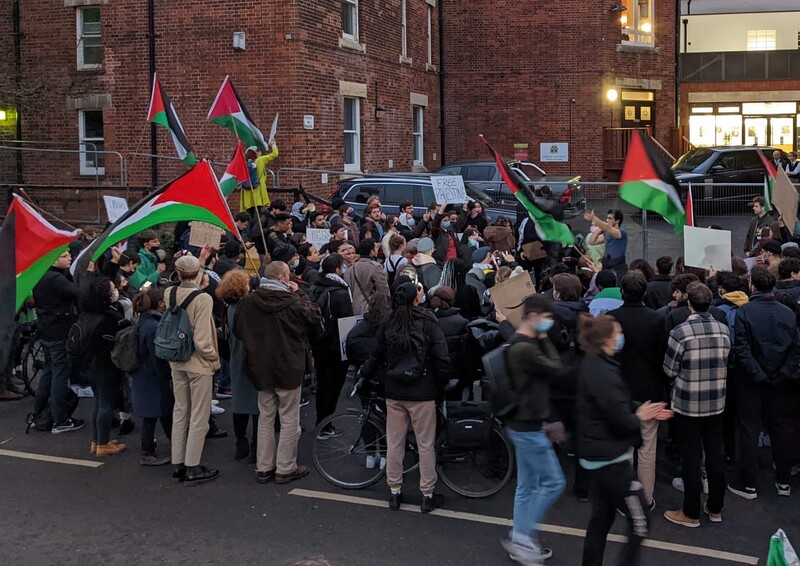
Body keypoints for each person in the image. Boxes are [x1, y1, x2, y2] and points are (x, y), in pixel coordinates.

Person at [576, 315, 672, 566]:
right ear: (607, 339)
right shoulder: (604, 372)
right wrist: (640, 415)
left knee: (601, 519)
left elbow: (612, 405)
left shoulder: (594, 364)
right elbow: (620, 418)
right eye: (618, 332)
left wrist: (641, 409)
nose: (621, 336)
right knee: (640, 521)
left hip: (596, 455)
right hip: (611, 460)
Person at [360, 281, 450, 513]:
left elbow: (376, 355)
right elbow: (441, 358)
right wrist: (440, 384)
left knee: (394, 443)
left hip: (394, 390)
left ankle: (394, 491)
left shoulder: (389, 322)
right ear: (415, 298)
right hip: (422, 390)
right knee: (426, 444)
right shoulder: (428, 321)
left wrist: (364, 376)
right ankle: (427, 494)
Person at [234, 261, 321, 484]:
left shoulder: (248, 302)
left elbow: (238, 330)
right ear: (283, 277)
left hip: (259, 366)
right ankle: (285, 467)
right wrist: (300, 293)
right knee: (289, 417)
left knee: (265, 416)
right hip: (289, 364)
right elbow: (314, 320)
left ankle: (264, 466)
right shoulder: (293, 302)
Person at [500, 295, 565, 564]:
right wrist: (543, 338)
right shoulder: (526, 348)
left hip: (521, 423)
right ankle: (523, 538)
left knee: (526, 485)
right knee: (554, 482)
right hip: (529, 426)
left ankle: (521, 538)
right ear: (534, 315)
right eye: (547, 317)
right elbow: (557, 367)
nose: (549, 323)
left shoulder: (518, 343)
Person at [662, 282, 731, 527]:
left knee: (690, 457)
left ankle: (690, 512)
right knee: (715, 454)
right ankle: (715, 506)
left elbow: (669, 370)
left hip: (688, 403)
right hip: (716, 401)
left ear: (689, 303)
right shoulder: (723, 329)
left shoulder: (680, 332)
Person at [731, 267, 800, 499]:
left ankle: (748, 483)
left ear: (752, 286)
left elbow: (741, 349)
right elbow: (795, 348)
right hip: (780, 382)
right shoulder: (788, 313)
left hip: (752, 382)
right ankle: (783, 481)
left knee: (749, 429)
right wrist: (782, 373)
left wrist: (757, 374)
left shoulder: (745, 312)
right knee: (781, 429)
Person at [609, 270, 666, 511]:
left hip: (619, 390)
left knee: (623, 447)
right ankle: (646, 499)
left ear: (622, 291)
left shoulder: (611, 318)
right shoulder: (656, 319)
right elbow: (661, 356)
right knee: (647, 448)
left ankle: (624, 497)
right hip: (649, 389)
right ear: (645, 292)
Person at [166, 252, 221, 486]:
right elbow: (202, 339)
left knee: (180, 412)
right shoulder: (203, 299)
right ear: (198, 273)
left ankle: (177, 462)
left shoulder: (170, 293)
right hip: (198, 362)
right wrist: (213, 359)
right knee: (199, 416)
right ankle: (193, 465)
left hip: (176, 358)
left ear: (177, 273)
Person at [32, 250, 82, 433]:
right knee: (60, 374)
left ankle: (38, 413)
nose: (69, 257)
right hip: (60, 330)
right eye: (64, 256)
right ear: (53, 260)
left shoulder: (41, 275)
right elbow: (78, 293)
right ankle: (60, 419)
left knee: (49, 371)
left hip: (46, 329)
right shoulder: (56, 280)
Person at [80, 274, 128, 457]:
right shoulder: (110, 317)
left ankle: (97, 439)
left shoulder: (87, 314)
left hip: (89, 364)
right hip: (107, 365)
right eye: (112, 288)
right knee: (107, 403)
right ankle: (103, 443)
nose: (115, 290)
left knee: (99, 402)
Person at [215, 270, 259, 462]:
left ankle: (240, 442)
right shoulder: (248, 308)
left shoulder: (227, 307)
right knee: (258, 407)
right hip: (252, 360)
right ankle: (257, 445)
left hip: (234, 358)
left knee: (239, 404)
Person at [309, 255, 354, 437]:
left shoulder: (314, 287)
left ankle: (321, 421)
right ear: (337, 269)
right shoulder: (341, 292)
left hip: (319, 343)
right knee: (334, 385)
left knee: (322, 383)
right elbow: (347, 323)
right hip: (336, 346)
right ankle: (326, 424)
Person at [130, 287, 173, 466]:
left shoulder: (143, 321)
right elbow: (157, 357)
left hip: (143, 375)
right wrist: (167, 374)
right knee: (155, 414)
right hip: (153, 376)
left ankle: (175, 443)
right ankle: (148, 452)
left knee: (159, 413)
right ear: (160, 303)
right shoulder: (153, 326)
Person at [344, 238, 391, 315]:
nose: (377, 250)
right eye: (375, 248)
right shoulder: (376, 267)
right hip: (370, 309)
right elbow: (384, 291)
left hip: (353, 310)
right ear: (371, 252)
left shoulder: (349, 269)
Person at [584, 209, 628, 281]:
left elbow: (611, 230)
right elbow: (592, 241)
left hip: (618, 267)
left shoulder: (622, 233)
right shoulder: (607, 233)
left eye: (610, 218)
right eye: (607, 218)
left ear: (617, 221)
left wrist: (594, 218)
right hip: (606, 265)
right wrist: (601, 229)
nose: (607, 220)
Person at [241, 143, 279, 216]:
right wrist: (274, 144)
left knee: (248, 215)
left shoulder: (244, 163)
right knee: (258, 214)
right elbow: (275, 154)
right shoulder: (260, 160)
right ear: (257, 153)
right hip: (258, 191)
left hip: (247, 193)